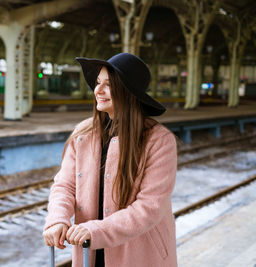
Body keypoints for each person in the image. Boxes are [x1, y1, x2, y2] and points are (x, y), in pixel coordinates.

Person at [43, 53, 177, 267]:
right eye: (97, 83)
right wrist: (57, 219)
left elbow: (149, 207)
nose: (98, 90)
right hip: (90, 251)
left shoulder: (159, 140)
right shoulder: (83, 134)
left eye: (108, 85)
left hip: (140, 254)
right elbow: (64, 186)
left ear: (129, 91)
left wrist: (96, 230)